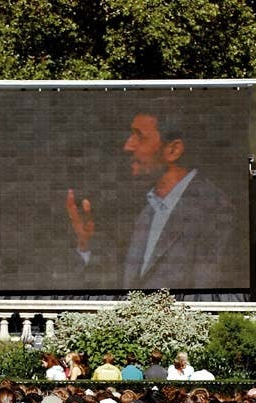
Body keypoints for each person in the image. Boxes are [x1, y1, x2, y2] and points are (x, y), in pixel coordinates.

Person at [65, 101, 239, 289]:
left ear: (173, 150)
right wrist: (86, 243)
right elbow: (115, 291)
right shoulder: (144, 210)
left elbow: (212, 298)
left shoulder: (214, 210)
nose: (127, 146)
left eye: (139, 137)